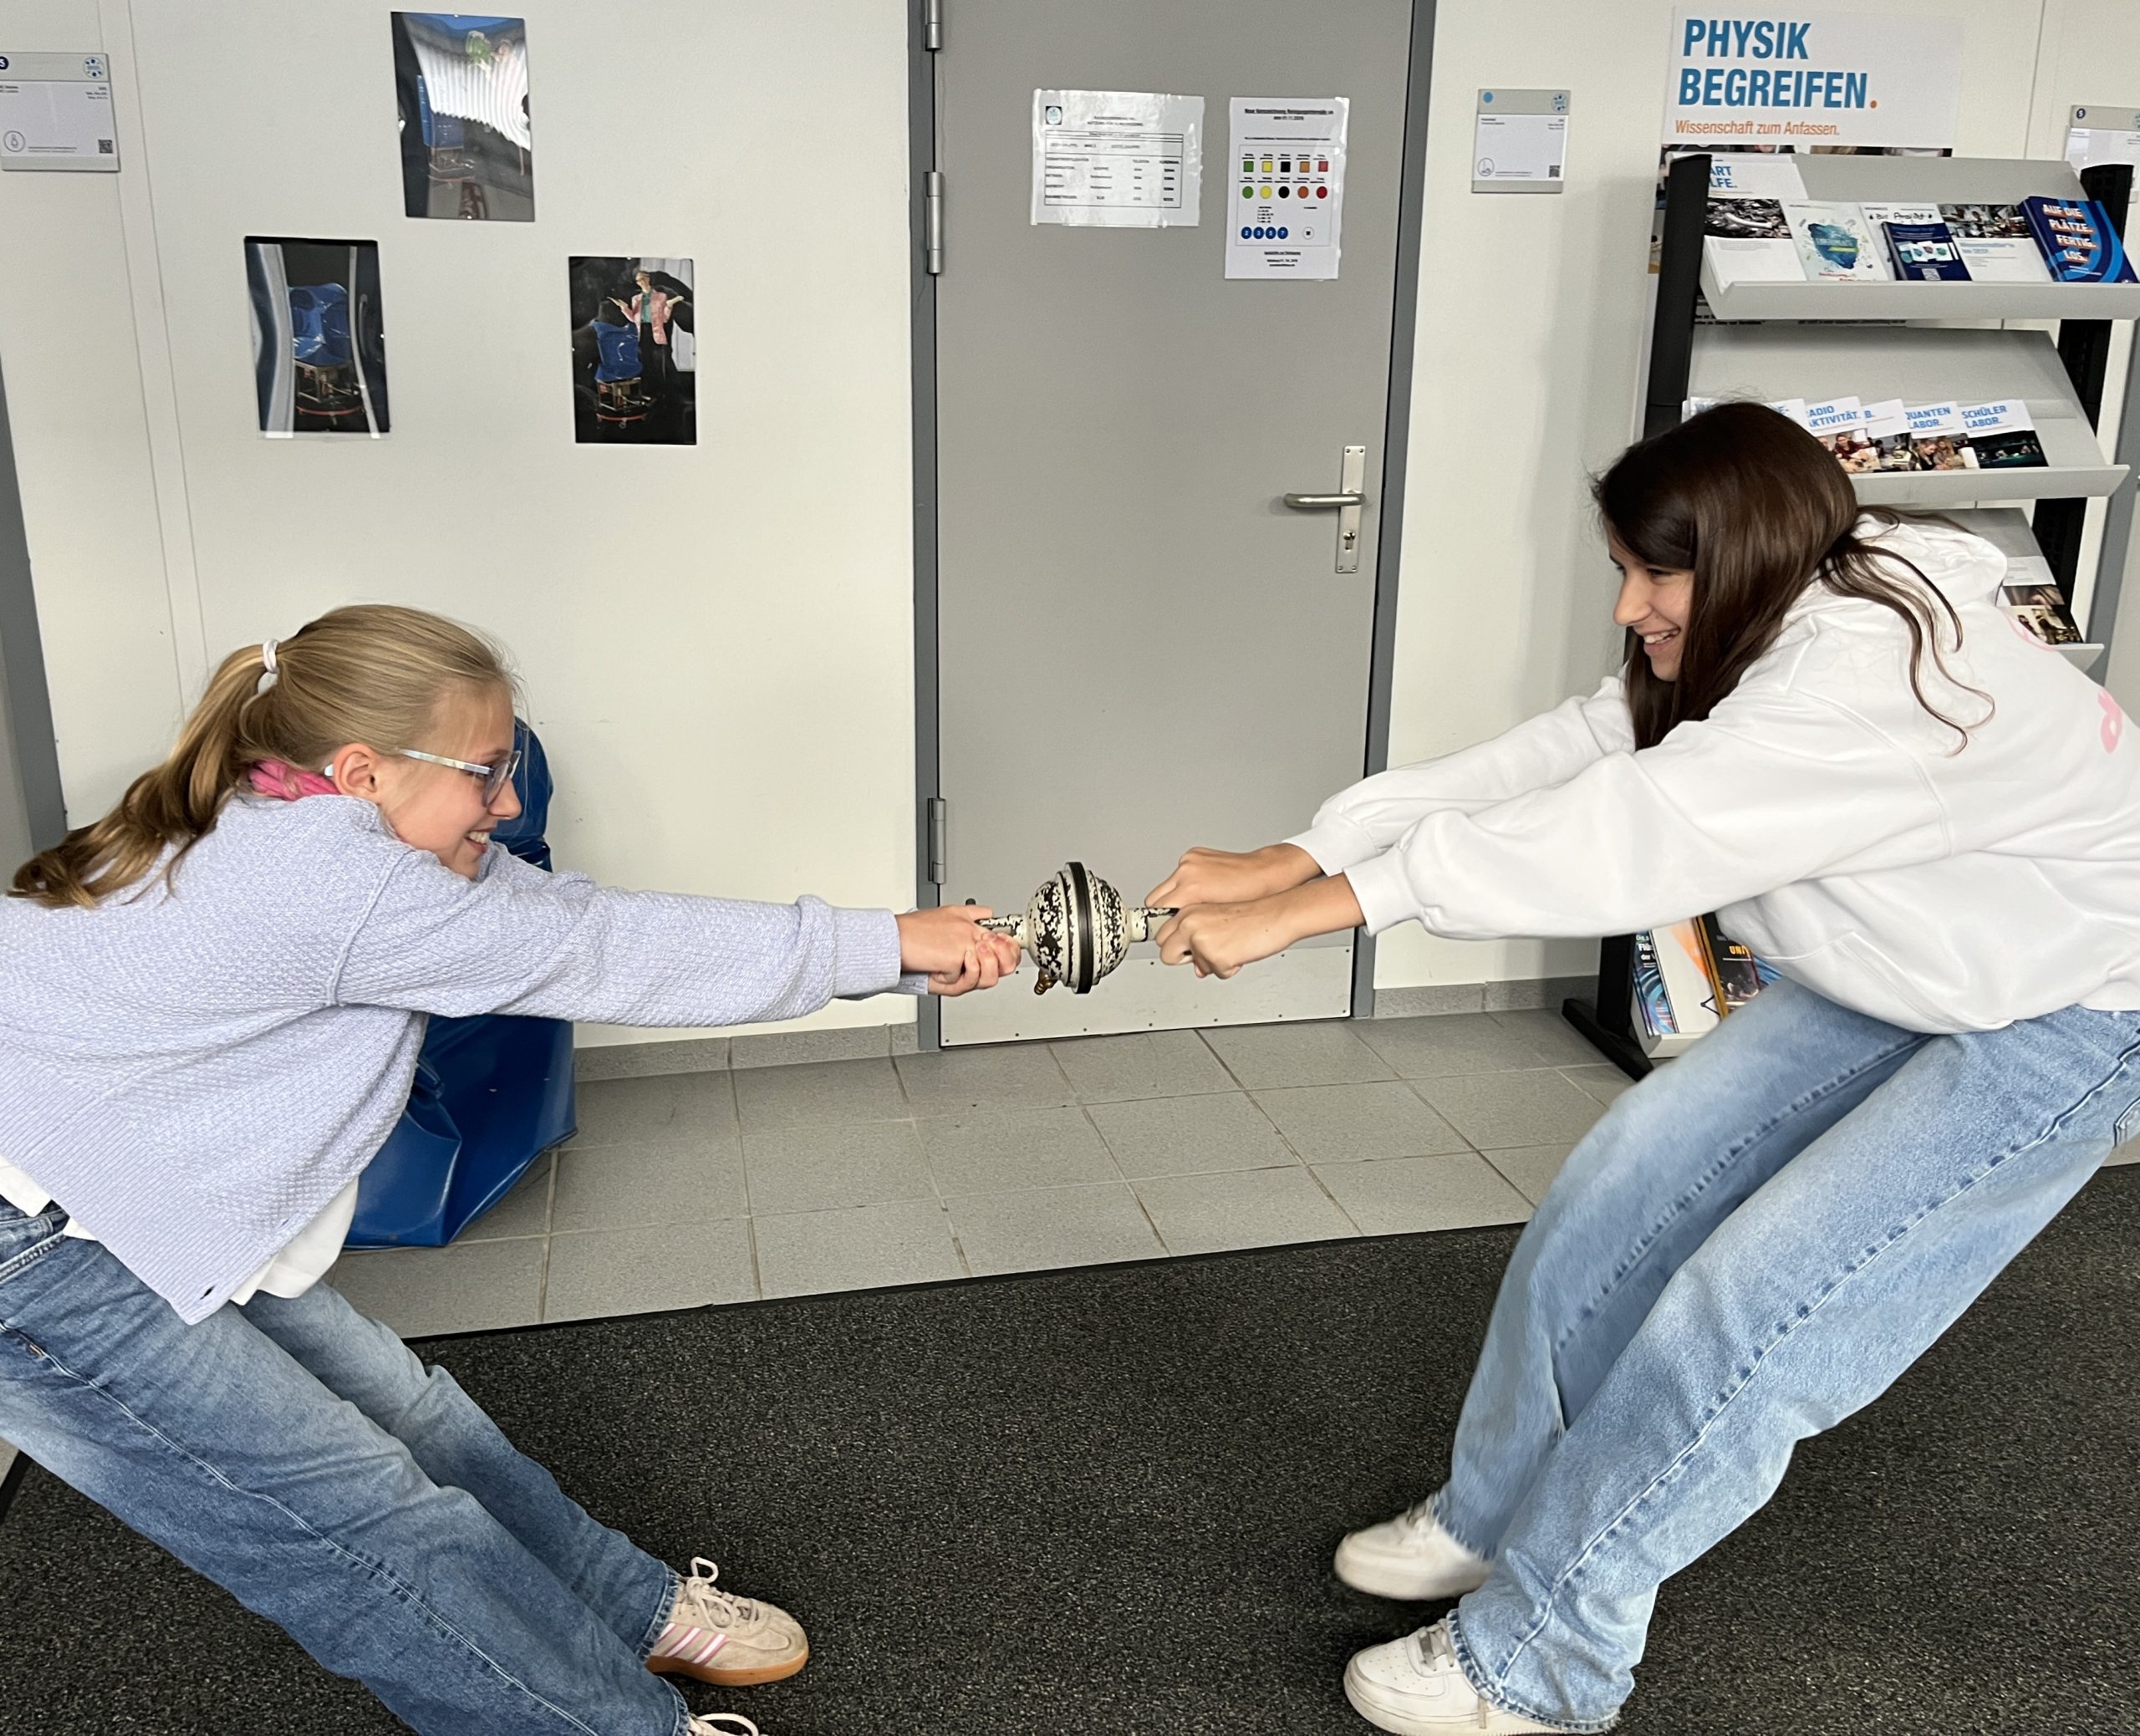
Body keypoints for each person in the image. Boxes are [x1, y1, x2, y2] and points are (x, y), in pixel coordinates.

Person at [1148, 401, 2140, 1734]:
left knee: (1749, 1308)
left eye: (1653, 575)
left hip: (2073, 1000)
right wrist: (1310, 849)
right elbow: (1584, 743)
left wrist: (1318, 912)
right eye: (1623, 569)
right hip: (1918, 964)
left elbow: (1622, 829)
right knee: (1617, 1185)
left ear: (1740, 554)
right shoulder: (1788, 597)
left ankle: (1543, 1660)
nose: (1628, 607)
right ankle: (1497, 1512)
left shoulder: (1865, 687)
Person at [0, 605, 1019, 1736]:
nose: (508, 802)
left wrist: (888, 945)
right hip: (29, 1244)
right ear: (363, 770)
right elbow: (600, 952)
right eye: (485, 772)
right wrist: (884, 943)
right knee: (365, 1529)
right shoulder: (336, 881)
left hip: (104, 1190)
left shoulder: (291, 806)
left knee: (410, 1414)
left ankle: (626, 1606)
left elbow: (572, 913)